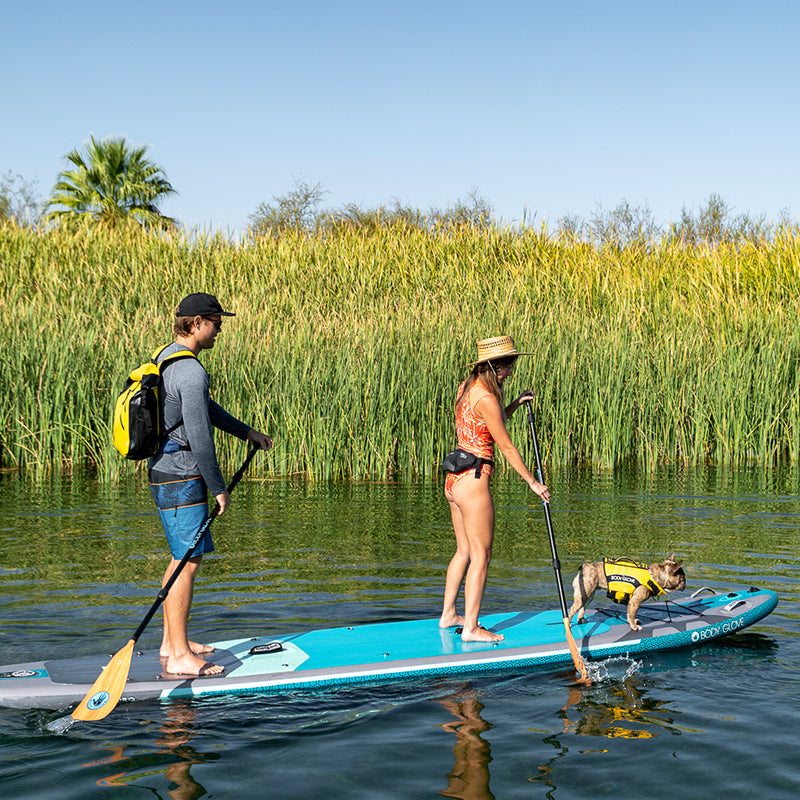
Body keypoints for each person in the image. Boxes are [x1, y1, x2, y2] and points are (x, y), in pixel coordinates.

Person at [148, 292, 272, 676]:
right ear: (198, 322)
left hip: (164, 469)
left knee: (179, 556)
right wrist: (219, 487)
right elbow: (199, 436)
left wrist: (245, 431)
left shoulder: (167, 356)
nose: (220, 330)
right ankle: (182, 657)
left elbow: (203, 409)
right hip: (183, 473)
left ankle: (172, 643)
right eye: (217, 323)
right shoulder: (191, 370)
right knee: (188, 561)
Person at [440, 335, 550, 643]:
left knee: (463, 551)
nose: (510, 373)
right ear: (495, 366)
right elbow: (505, 446)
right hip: (474, 481)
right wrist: (533, 483)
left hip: (454, 479)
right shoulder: (487, 398)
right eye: (508, 367)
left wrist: (515, 403)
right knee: (481, 555)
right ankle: (471, 628)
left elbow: (491, 423)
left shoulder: (468, 388)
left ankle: (448, 614)